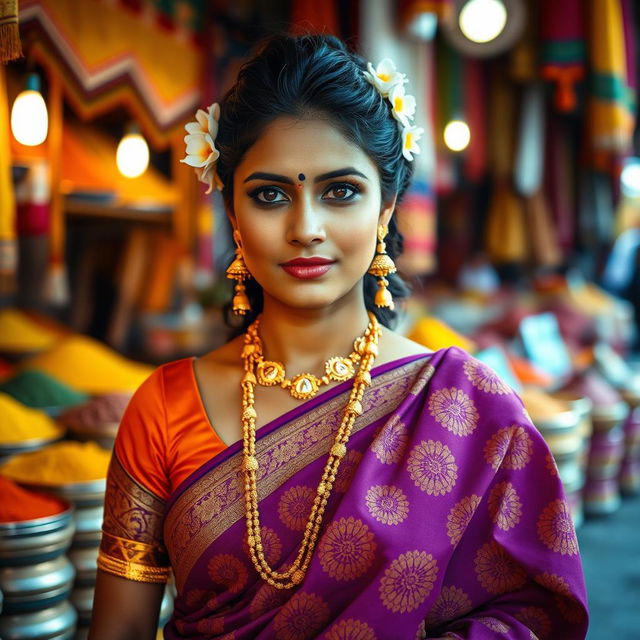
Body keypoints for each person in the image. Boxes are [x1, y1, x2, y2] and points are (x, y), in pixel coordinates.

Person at [88, 34, 588, 640]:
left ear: (385, 209)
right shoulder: (164, 410)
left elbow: (532, 617)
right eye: (270, 195)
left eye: (341, 191)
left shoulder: (468, 406)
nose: (306, 228)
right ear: (232, 212)